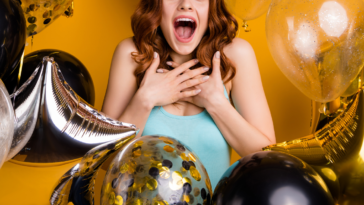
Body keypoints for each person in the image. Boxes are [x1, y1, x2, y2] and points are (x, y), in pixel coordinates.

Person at [102, 0, 276, 190]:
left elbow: (268, 159)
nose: (186, 4)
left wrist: (216, 103)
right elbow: (104, 161)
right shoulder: (132, 54)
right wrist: (145, 100)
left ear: (212, 6)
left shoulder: (236, 55)